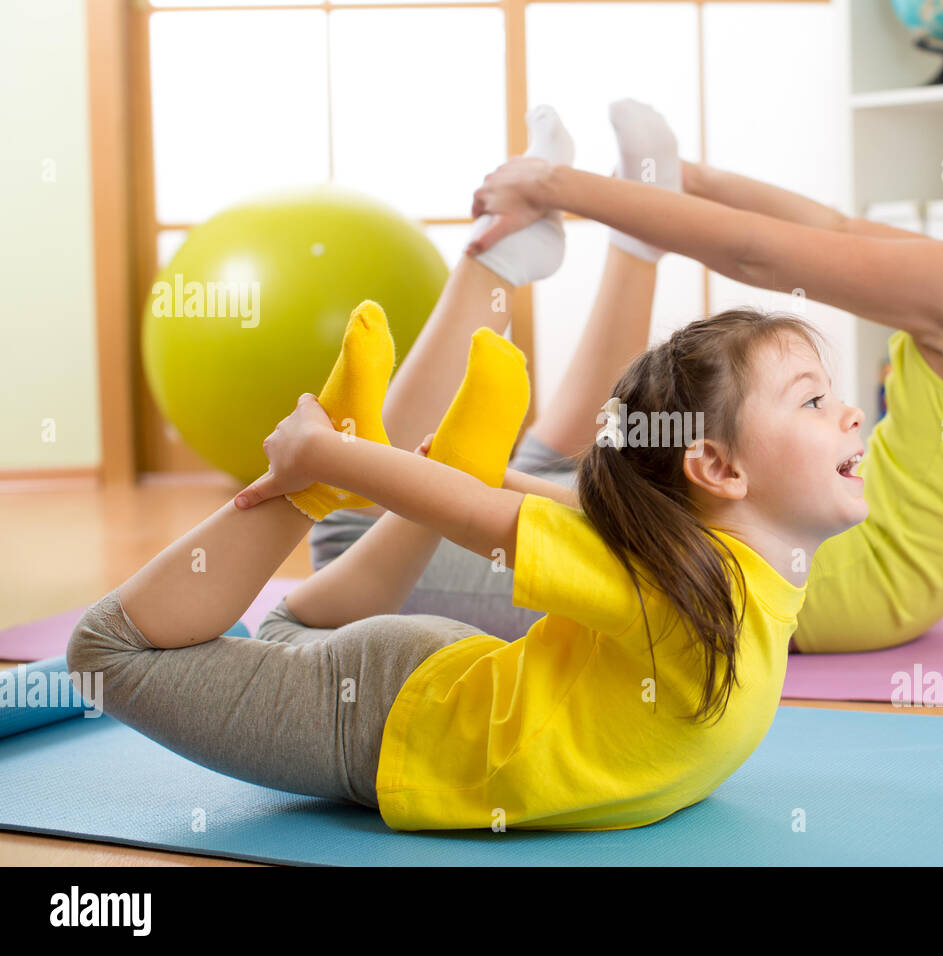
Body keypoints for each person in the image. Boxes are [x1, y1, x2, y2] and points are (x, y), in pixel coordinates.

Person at [65, 280, 868, 828]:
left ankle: (373, 454)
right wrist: (327, 463)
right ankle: (316, 472)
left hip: (444, 692)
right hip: (382, 724)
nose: (853, 413)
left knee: (286, 635)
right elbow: (491, 521)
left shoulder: (718, 563)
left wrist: (497, 474)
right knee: (104, 653)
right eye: (814, 399)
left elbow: (629, 512)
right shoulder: (696, 583)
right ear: (720, 469)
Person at [451, 77, 943, 653]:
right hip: (793, 580)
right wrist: (558, 190)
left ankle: (516, 466)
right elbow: (761, 255)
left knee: (533, 485)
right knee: (368, 543)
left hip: (830, 584)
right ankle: (518, 259)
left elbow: (832, 226)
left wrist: (687, 175)